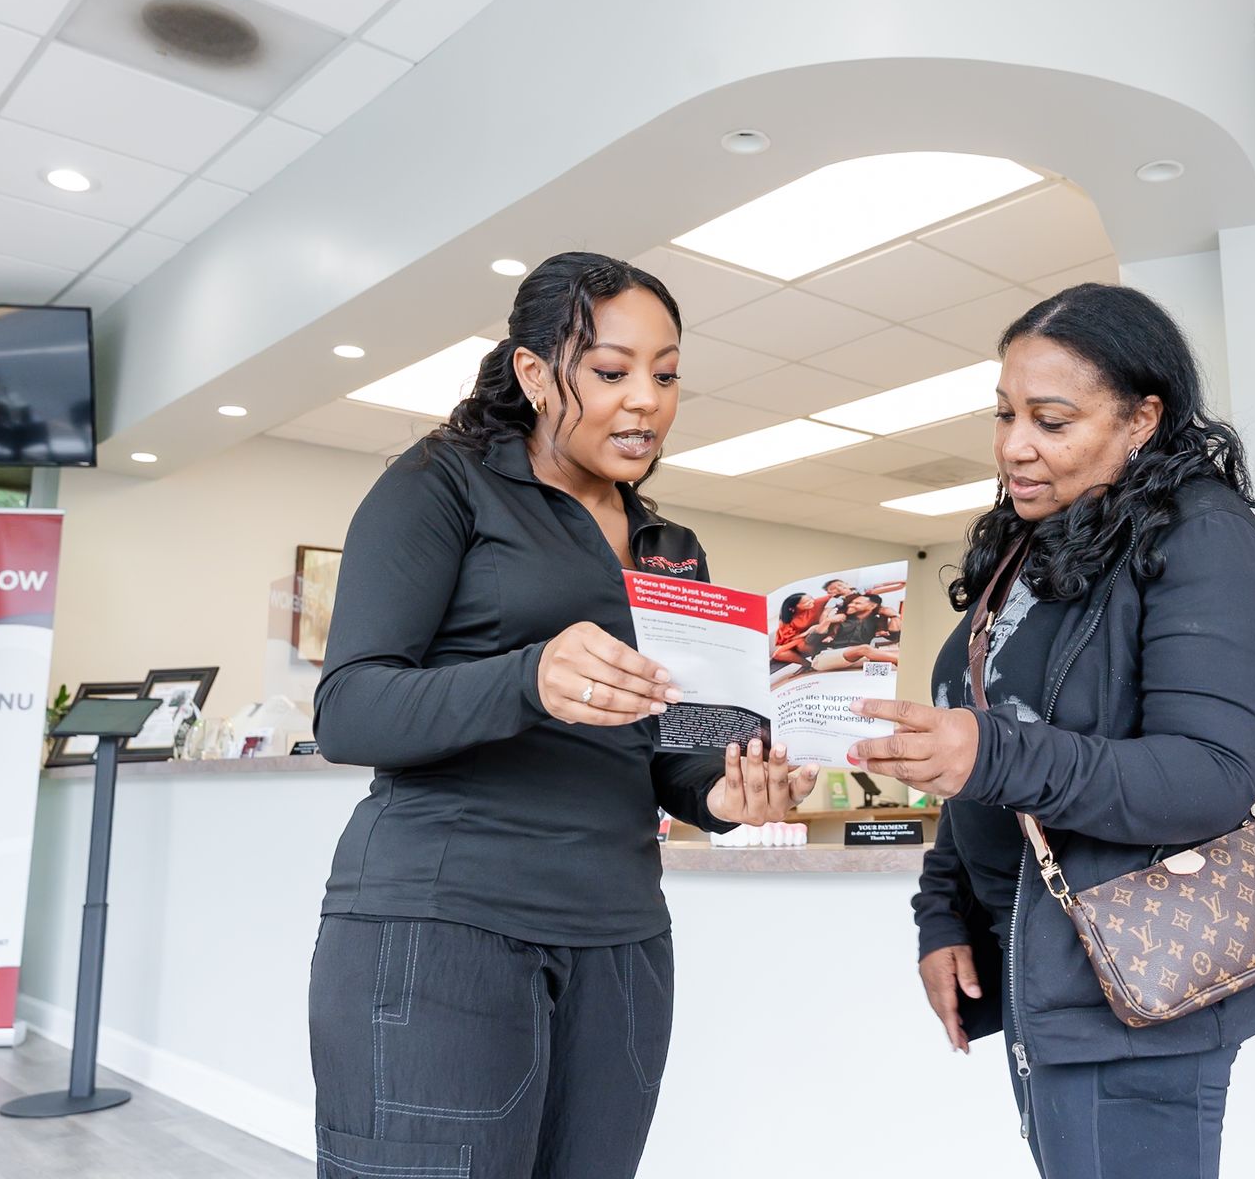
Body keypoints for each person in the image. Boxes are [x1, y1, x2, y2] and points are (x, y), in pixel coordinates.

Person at [307, 252, 817, 1179]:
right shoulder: (442, 483)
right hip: (445, 922)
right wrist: (528, 676)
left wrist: (732, 794)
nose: (647, 402)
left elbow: (669, 757)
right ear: (537, 374)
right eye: (612, 372)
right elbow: (349, 710)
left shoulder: (671, 548)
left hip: (621, 938)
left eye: (665, 376)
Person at [845, 283, 1255, 1179]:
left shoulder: (1203, 535)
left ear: (1142, 420)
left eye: (1051, 421)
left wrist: (990, 751)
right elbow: (982, 768)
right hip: (1046, 974)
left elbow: (1207, 777)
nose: (1015, 445)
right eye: (1005, 413)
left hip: (1136, 983)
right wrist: (943, 917)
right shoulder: (1034, 543)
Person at [806, 592, 901, 671]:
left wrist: (894, 616)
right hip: (825, 658)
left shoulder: (875, 622)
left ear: (872, 606)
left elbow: (894, 638)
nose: (851, 605)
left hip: (854, 659)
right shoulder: (839, 618)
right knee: (865, 649)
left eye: (857, 603)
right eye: (852, 602)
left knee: (896, 654)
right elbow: (811, 641)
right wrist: (828, 621)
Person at [773, 592, 825, 665]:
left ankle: (822, 659)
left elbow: (835, 595)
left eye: (811, 598)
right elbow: (789, 638)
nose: (811, 601)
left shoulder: (817, 602)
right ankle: (808, 665)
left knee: (801, 645)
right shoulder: (787, 620)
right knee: (779, 654)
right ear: (793, 607)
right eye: (806, 602)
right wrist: (804, 634)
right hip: (800, 638)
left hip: (820, 632)